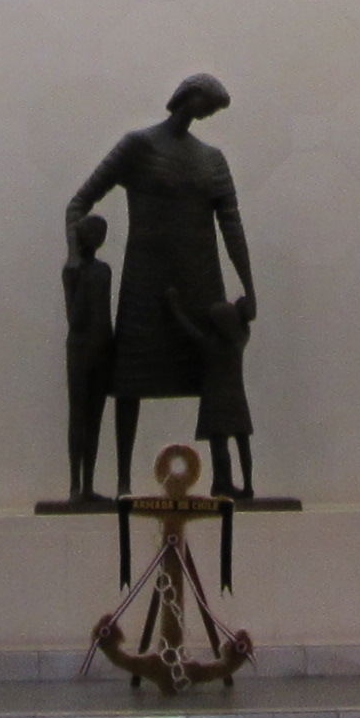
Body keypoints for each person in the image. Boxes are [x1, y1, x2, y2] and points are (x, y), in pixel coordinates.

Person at [64, 73, 257, 497]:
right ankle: (123, 482)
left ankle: (225, 479)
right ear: (189, 96)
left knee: (217, 384)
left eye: (213, 110)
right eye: (208, 105)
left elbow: (231, 224)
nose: (208, 114)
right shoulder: (138, 147)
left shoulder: (212, 160)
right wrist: (76, 258)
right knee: (131, 382)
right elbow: (79, 203)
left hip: (200, 284)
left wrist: (249, 284)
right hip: (146, 284)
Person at [177, 288, 256, 501]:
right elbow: (248, 320)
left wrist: (174, 307)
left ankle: (223, 483)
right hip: (237, 400)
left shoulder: (211, 345)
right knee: (242, 443)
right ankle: (246, 485)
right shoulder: (239, 341)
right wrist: (243, 308)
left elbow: (189, 329)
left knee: (220, 446)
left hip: (215, 400)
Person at [61, 215, 117, 501]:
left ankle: (87, 485)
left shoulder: (104, 271)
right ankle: (75, 485)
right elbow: (75, 316)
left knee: (93, 419)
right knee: (79, 416)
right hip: (81, 348)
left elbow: (103, 313)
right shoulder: (73, 271)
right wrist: (78, 270)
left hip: (101, 348)